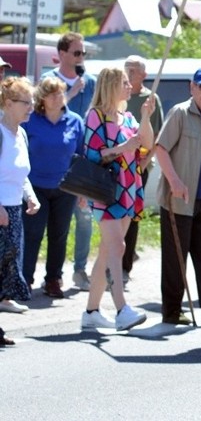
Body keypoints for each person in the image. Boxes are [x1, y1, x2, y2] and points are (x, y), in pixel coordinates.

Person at [79, 67, 154, 331]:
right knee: (118, 246)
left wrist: (146, 116)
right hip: (106, 189)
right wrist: (123, 148)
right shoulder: (95, 116)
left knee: (108, 250)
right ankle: (122, 308)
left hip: (128, 188)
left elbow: (147, 143)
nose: (129, 86)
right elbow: (93, 155)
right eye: (124, 82)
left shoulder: (127, 117)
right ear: (110, 85)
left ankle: (91, 311)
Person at [155, 67, 201, 325]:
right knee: (175, 259)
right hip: (179, 200)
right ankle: (172, 311)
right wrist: (174, 181)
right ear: (192, 88)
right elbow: (161, 149)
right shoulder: (181, 113)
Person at [21, 77, 85, 298]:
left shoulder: (74, 121)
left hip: (65, 188)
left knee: (59, 235)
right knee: (32, 233)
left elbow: (80, 155)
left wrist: (82, 190)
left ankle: (53, 279)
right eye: (53, 94)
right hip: (35, 185)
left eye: (61, 93)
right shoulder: (31, 120)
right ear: (42, 99)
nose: (58, 98)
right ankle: (25, 279)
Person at [43, 32, 97, 291]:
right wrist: (71, 94)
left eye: (83, 53)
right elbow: (44, 112)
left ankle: (80, 269)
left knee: (85, 216)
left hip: (84, 159)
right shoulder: (48, 80)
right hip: (57, 160)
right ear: (62, 53)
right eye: (77, 53)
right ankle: (48, 274)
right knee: (52, 225)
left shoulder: (91, 81)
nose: (81, 58)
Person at [0, 77, 40, 314]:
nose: (31, 107)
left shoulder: (21, 135)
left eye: (32, 101)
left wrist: (30, 196)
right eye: (25, 102)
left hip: (13, 210)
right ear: (7, 103)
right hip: (2, 209)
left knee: (8, 266)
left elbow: (20, 173)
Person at [122, 56, 163, 283]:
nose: (128, 73)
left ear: (143, 75)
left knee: (133, 213)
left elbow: (157, 136)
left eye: (133, 70)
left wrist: (143, 165)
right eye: (127, 69)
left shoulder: (151, 99)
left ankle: (126, 265)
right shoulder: (121, 97)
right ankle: (115, 260)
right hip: (120, 164)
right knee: (117, 211)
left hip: (141, 165)